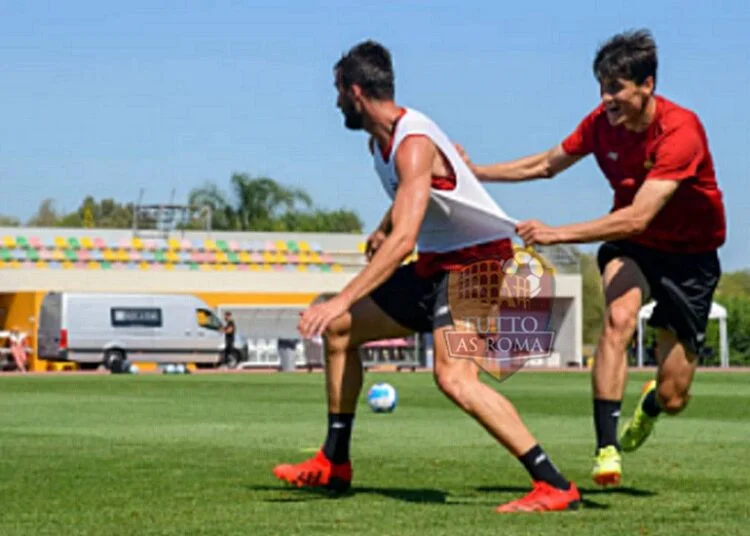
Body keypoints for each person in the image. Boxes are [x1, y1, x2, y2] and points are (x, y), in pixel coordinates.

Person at [272, 40, 581, 513]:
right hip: (439, 266)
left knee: (453, 378)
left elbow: (405, 238)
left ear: (355, 92)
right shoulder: (382, 143)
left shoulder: (412, 143)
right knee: (341, 330)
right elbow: (410, 203)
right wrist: (380, 227)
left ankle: (553, 483)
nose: (335, 103)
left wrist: (340, 296)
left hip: (481, 266)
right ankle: (334, 462)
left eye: (337, 92)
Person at [459, 29, 726, 487]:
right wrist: (475, 172)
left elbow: (640, 215)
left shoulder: (682, 131)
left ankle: (650, 406)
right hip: (635, 248)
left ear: (647, 85)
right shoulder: (601, 124)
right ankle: (607, 447)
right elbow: (546, 164)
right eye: (601, 88)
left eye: (616, 88)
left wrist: (558, 233)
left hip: (690, 259)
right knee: (618, 319)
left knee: (675, 393)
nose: (606, 98)